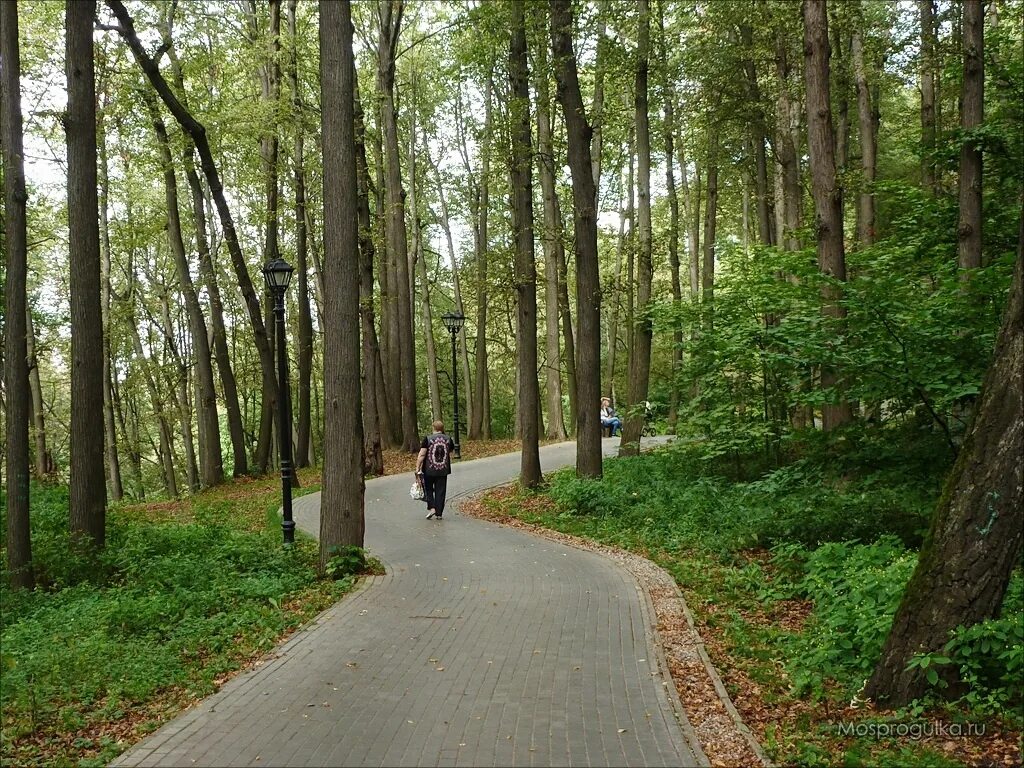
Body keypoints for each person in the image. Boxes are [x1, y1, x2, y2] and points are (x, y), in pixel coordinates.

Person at [416, 420, 456, 520]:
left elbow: (421, 455)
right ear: (442, 428)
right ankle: (439, 513)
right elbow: (450, 451)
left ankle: (432, 507)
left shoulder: (428, 439)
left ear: (433, 428)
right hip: (443, 469)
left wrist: (417, 468)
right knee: (441, 491)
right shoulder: (448, 439)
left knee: (428, 489)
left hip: (429, 470)